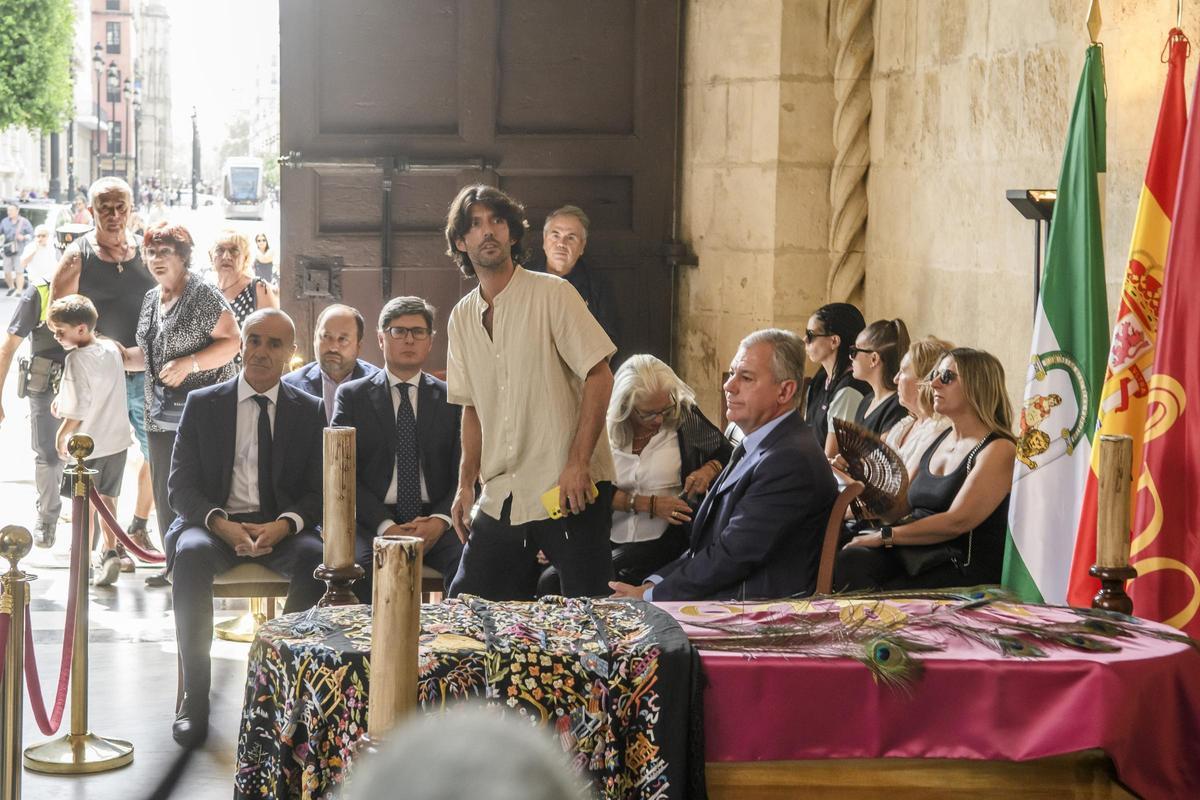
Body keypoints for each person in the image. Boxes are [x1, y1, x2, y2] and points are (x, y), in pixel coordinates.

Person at [443, 185, 618, 601]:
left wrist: (577, 463)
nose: (488, 232)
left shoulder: (553, 294)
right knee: (467, 614)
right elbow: (470, 406)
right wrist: (466, 484)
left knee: (588, 621)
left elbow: (600, 375)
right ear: (460, 242)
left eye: (497, 221)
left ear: (514, 234)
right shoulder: (461, 318)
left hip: (569, 487)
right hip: (503, 493)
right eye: (475, 224)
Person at [165, 308, 326, 746]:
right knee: (192, 554)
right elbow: (180, 487)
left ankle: (278, 694)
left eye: (274, 344)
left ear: (291, 353)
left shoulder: (310, 410)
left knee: (317, 558)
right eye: (254, 339)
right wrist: (220, 524)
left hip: (281, 529)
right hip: (215, 523)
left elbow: (318, 490)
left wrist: (285, 525)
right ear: (242, 344)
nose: (260, 351)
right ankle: (195, 700)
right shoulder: (204, 403)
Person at [610, 329, 838, 601]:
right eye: (731, 374)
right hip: (725, 590)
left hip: (750, 608)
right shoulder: (759, 443)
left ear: (785, 390)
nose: (728, 386)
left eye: (746, 377)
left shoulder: (788, 460)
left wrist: (649, 596)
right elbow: (709, 547)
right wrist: (651, 587)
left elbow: (732, 556)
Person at [539, 355, 731, 594]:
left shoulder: (683, 417)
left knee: (592, 583)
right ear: (625, 408)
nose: (659, 419)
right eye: (648, 413)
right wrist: (648, 504)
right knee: (550, 579)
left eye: (665, 408)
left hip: (666, 541)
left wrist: (706, 470)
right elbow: (592, 488)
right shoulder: (601, 431)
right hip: (608, 536)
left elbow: (726, 453)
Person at [835, 348, 1017, 591]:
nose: (934, 383)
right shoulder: (941, 437)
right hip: (917, 553)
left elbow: (957, 521)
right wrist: (857, 481)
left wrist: (885, 536)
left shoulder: (999, 449)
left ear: (977, 386)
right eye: (936, 375)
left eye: (947, 377)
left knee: (858, 567)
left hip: (958, 564)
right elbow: (899, 507)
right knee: (847, 553)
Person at [127, 221, 241, 586]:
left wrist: (190, 363)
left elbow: (232, 341)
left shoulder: (203, 294)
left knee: (200, 489)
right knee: (165, 488)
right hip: (160, 416)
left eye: (165, 252)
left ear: (183, 257)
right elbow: (146, 355)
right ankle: (174, 563)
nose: (157, 259)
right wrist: (110, 353)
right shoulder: (151, 298)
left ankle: (203, 563)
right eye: (151, 252)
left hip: (202, 416)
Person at [51, 178, 159, 560]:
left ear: (131, 207)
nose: (114, 216)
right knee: (97, 460)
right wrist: (66, 385)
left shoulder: (147, 251)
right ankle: (103, 547)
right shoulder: (78, 256)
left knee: (159, 454)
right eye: (105, 208)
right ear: (92, 210)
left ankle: (139, 527)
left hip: (146, 374)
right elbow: (57, 319)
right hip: (100, 378)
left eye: (120, 207)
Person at [330, 296, 464, 599]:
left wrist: (439, 522)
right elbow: (343, 474)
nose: (409, 339)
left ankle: (449, 642)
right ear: (380, 338)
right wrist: (386, 525)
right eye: (398, 331)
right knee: (359, 570)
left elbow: (465, 470)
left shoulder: (452, 398)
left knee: (471, 561)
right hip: (373, 520)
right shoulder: (352, 396)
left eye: (418, 332)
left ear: (430, 341)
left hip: (435, 520)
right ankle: (369, 647)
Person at [46, 296, 131, 586]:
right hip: (117, 439)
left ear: (81, 329)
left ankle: (81, 558)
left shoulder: (75, 359)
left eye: (61, 331)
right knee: (108, 501)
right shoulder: (110, 348)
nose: (57, 337)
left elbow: (79, 407)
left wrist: (61, 434)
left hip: (87, 444)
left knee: (84, 506)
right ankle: (110, 551)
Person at [0, 284, 67, 546]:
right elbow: (9, 345)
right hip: (47, 381)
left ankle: (96, 534)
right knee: (49, 456)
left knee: (96, 458)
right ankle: (47, 518)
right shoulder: (41, 291)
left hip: (90, 381)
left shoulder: (102, 281)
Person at [281, 303, 379, 423]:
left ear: (358, 346)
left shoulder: (379, 386)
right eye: (326, 337)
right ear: (314, 340)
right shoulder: (289, 386)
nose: (333, 347)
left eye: (342, 339)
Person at [537, 205, 617, 345]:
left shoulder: (598, 286)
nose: (561, 244)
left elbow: (607, 341)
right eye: (555, 235)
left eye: (571, 237)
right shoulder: (522, 276)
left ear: (582, 246)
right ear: (544, 240)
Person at [802, 302, 869, 456]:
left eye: (811, 335)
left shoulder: (849, 390)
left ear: (834, 341)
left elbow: (832, 458)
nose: (805, 339)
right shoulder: (820, 380)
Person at [883, 337, 954, 477]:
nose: (895, 379)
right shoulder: (905, 425)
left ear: (925, 380)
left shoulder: (938, 429)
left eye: (903, 371)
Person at [847, 318, 911, 438]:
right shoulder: (866, 401)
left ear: (874, 359)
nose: (851, 357)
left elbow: (881, 456)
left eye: (854, 351)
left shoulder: (897, 406)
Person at [211, 229, 279, 330]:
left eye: (234, 251)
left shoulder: (258, 288)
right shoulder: (207, 289)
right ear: (211, 256)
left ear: (245, 258)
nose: (226, 256)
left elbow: (273, 334)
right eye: (220, 250)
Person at [2, 204, 34, 295]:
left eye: (11, 210)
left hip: (20, 250)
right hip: (7, 250)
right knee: (7, 271)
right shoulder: (4, 221)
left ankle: (19, 291)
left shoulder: (24, 222)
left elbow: (31, 235)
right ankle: (11, 287)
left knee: (19, 271)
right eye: (8, 210)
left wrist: (23, 237)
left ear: (17, 211)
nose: (9, 212)